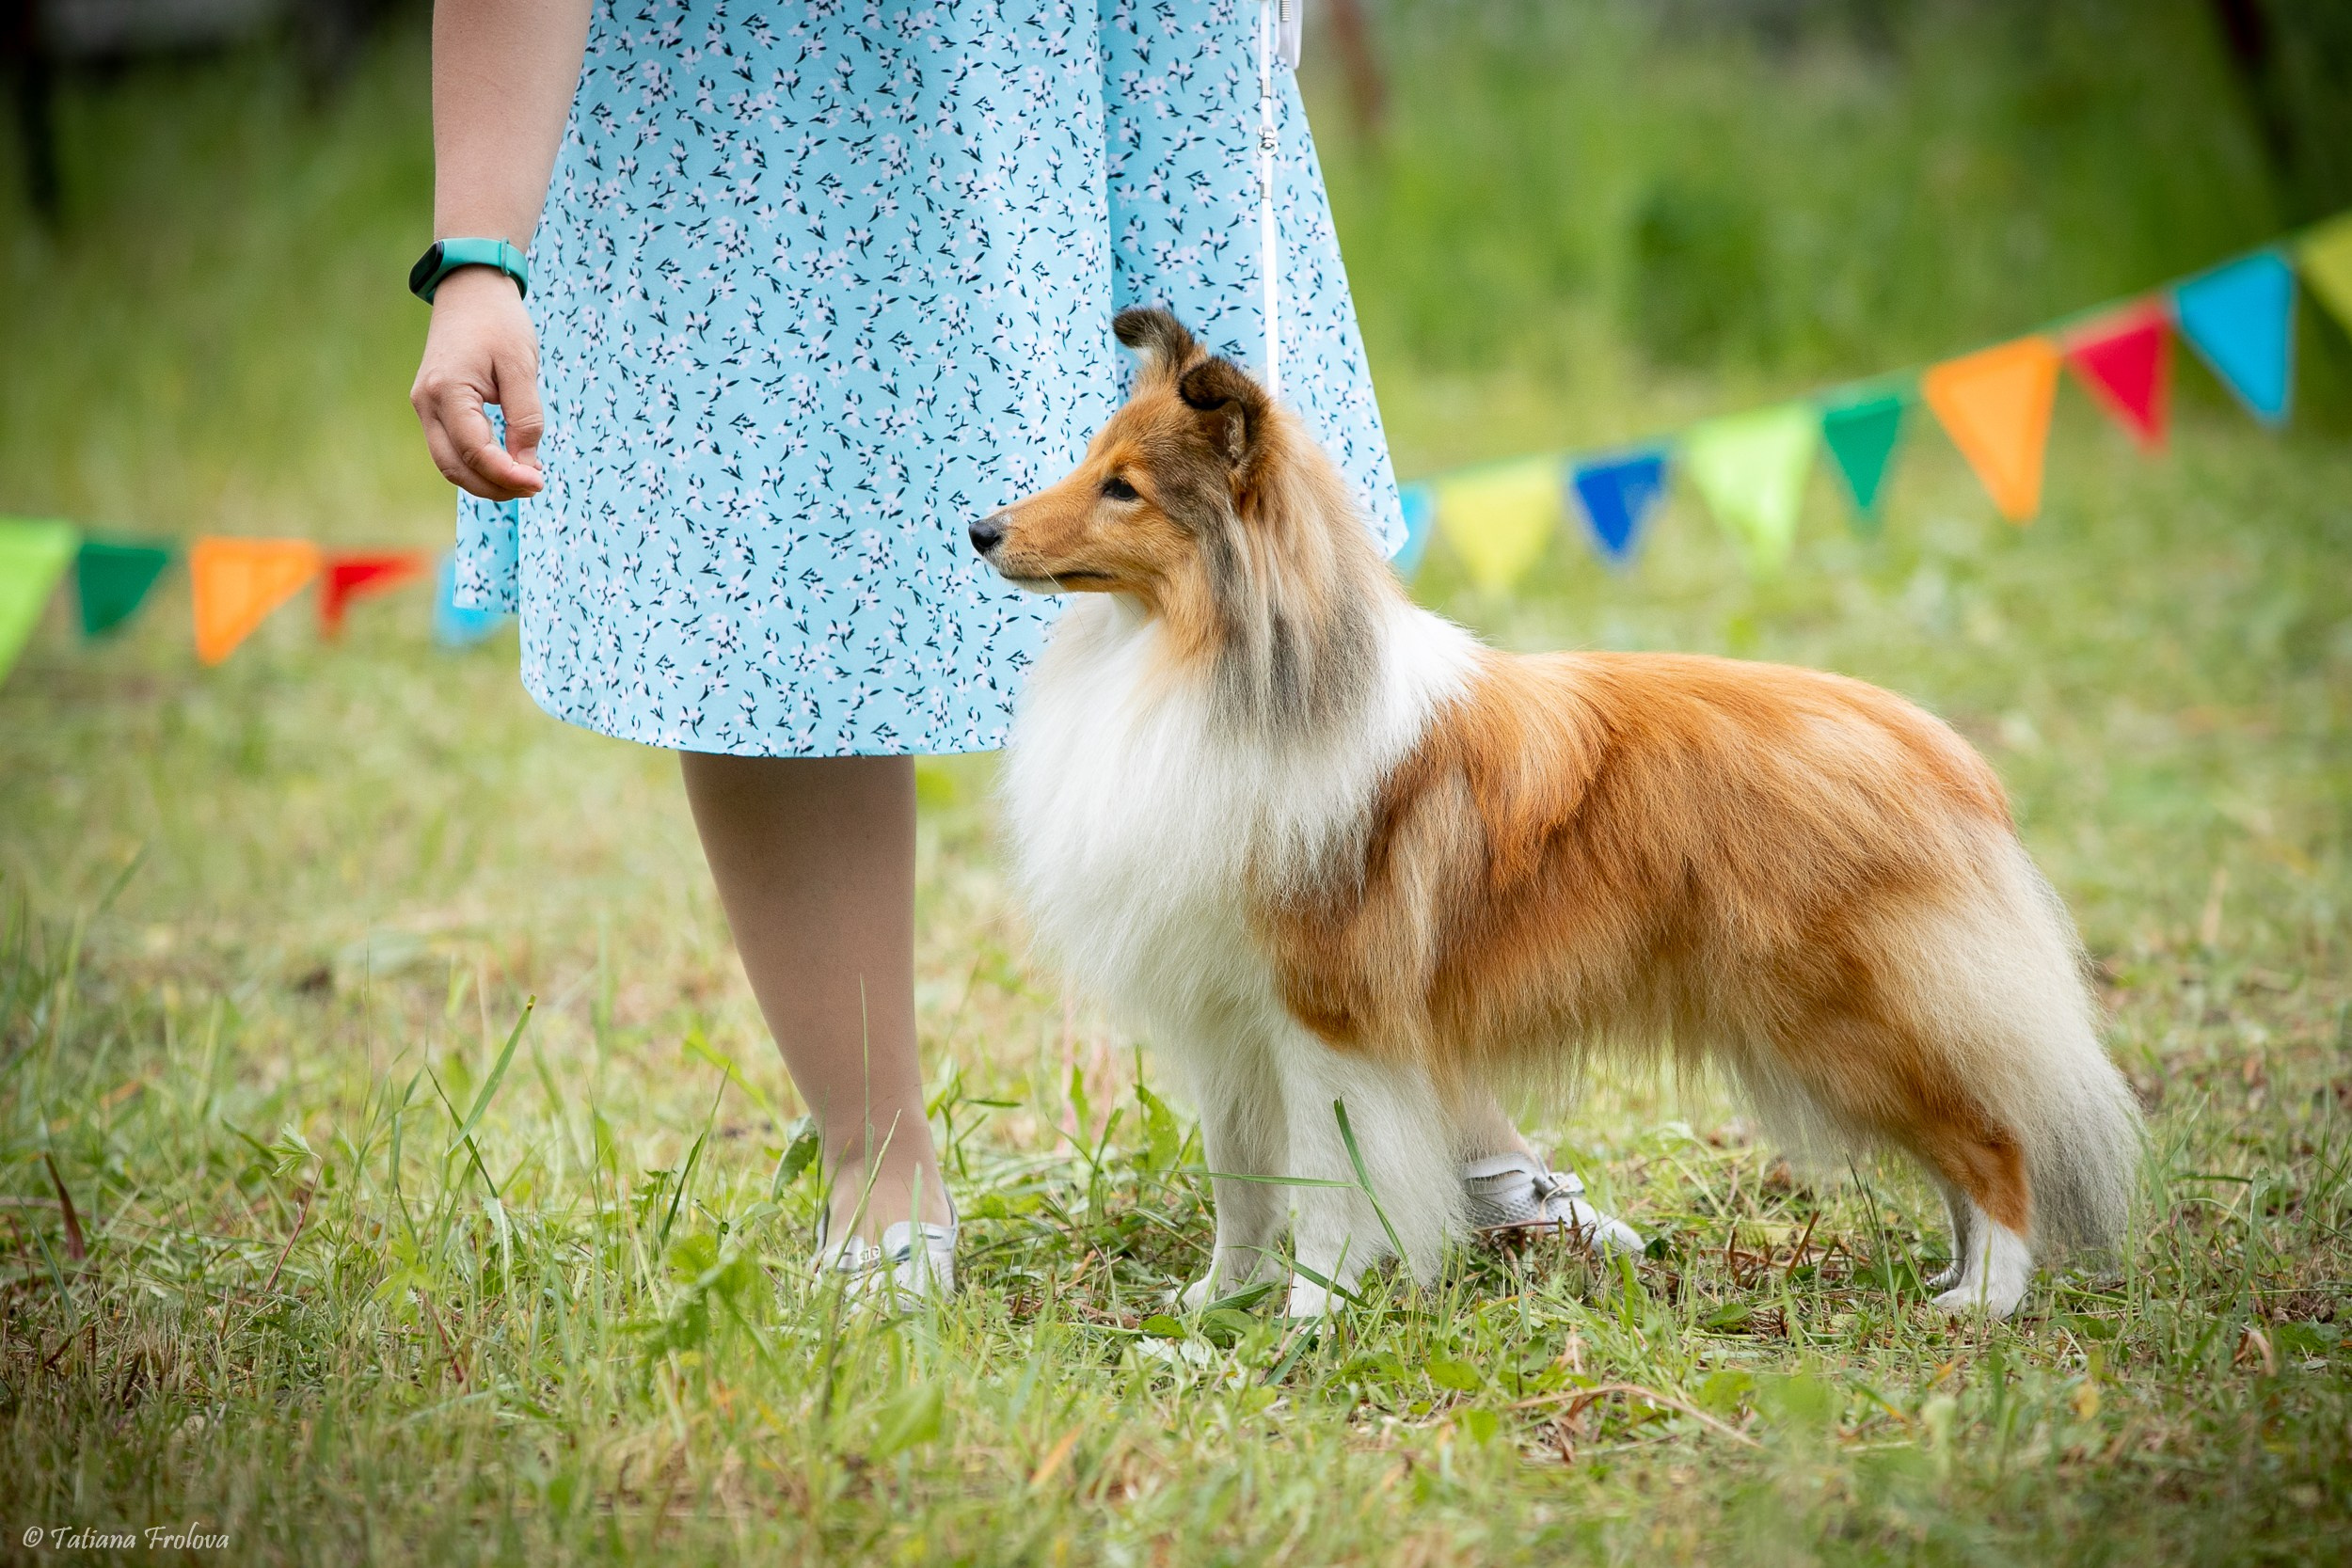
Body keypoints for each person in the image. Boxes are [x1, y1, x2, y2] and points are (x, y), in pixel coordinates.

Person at [409, 0, 1636, 1301]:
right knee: (776, 575)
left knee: (1259, 537)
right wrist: (478, 253)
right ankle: (877, 1173)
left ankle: (1443, 1117)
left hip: (1119, 45)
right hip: (767, 90)